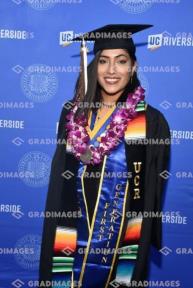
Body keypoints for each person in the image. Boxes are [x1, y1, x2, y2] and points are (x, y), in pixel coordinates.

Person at [39, 24, 171, 288]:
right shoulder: (73, 113)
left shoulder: (151, 121)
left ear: (133, 66)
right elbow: (58, 182)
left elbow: (150, 193)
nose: (112, 71)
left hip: (122, 241)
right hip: (69, 236)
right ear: (94, 66)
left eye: (121, 61)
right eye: (104, 61)